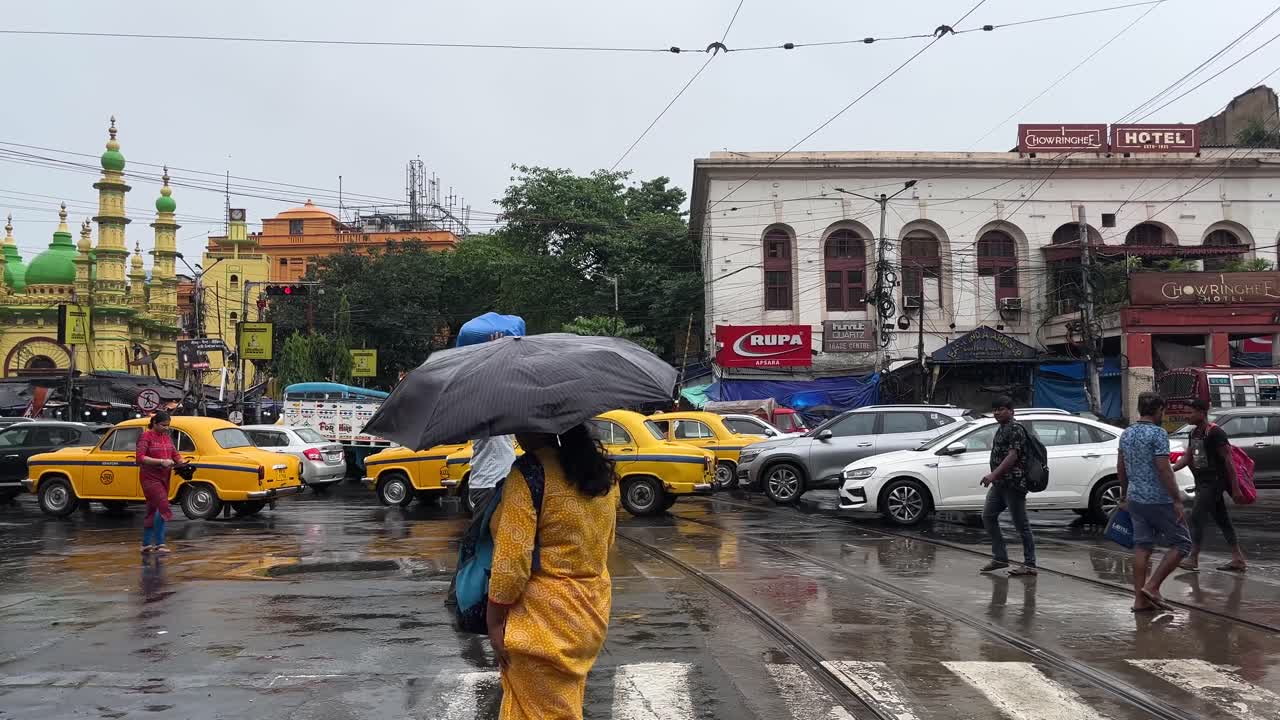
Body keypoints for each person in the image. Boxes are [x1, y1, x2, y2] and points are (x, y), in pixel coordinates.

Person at [486, 424, 617, 720]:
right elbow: (606, 542)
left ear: (537, 427)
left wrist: (494, 621)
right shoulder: (602, 475)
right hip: (589, 613)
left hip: (542, 623)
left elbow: (511, 563)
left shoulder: (531, 474)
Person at [1117, 392, 1193, 612]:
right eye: (1163, 411)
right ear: (1158, 410)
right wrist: (1176, 499)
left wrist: (1124, 493)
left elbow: (1120, 466)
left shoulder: (1127, 433)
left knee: (1142, 546)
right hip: (1158, 499)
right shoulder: (1158, 434)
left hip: (1135, 498)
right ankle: (1152, 586)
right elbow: (1163, 468)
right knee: (1182, 543)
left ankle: (1139, 601)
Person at [1172, 399, 1247, 572]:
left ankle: (1193, 558)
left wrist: (1235, 488)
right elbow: (1187, 457)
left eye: (1190, 412)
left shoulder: (1215, 433)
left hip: (1214, 481)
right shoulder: (1194, 433)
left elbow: (1229, 461)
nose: (1187, 416)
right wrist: (1171, 469)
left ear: (1201, 412)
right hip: (1202, 481)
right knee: (1222, 519)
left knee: (1197, 517)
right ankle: (1238, 559)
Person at [979, 396, 1037, 576]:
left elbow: (1012, 456)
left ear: (1011, 411)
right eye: (995, 409)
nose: (997, 412)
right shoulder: (1002, 428)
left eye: (1001, 409)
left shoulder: (1015, 429)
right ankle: (1000, 558)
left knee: (1021, 525)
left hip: (1014, 484)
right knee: (988, 516)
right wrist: (995, 478)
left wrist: (992, 474)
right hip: (1000, 484)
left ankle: (1030, 564)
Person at [136, 411, 183, 554]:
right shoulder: (145, 436)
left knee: (152, 510)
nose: (166, 428)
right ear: (155, 423)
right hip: (149, 478)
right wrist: (161, 461)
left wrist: (182, 463)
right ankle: (160, 543)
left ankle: (145, 544)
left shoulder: (167, 438)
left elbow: (174, 454)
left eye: (168, 425)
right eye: (163, 425)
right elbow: (140, 458)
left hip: (165, 477)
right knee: (163, 506)